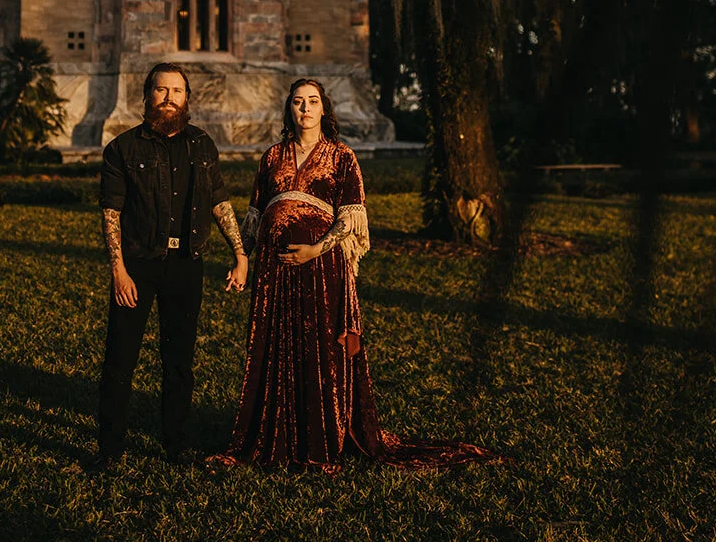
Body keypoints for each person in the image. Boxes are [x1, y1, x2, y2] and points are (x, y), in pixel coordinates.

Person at [222, 77, 499, 469]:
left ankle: (318, 436)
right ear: (289, 108)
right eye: (298, 102)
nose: (304, 108)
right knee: (276, 348)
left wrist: (316, 249)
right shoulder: (271, 157)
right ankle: (276, 430)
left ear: (324, 109)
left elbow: (351, 217)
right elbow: (255, 213)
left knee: (321, 348)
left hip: (322, 269)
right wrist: (242, 258)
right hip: (274, 272)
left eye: (312, 101)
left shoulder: (341, 157)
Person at [92, 62, 247, 470]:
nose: (169, 99)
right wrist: (118, 271)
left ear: (186, 99)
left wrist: (240, 253)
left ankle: (176, 444)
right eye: (161, 91)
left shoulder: (202, 145)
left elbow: (219, 201)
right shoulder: (122, 149)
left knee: (179, 361)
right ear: (147, 96)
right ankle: (109, 450)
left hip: (186, 265)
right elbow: (111, 212)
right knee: (120, 361)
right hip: (138, 266)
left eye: (177, 92)